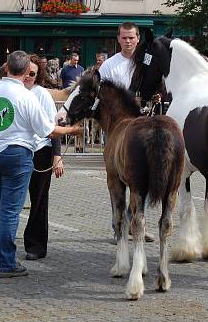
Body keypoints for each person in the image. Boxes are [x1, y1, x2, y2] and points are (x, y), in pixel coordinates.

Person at [0, 50, 81, 277]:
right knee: (11, 212)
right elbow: (48, 130)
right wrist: (73, 129)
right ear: (24, 72)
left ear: (6, 68)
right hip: (16, 154)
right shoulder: (26, 96)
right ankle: (6, 263)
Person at [65, 22, 157, 242]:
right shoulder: (109, 65)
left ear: (137, 39)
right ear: (118, 39)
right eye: (124, 38)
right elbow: (100, 93)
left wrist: (155, 95)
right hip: (118, 124)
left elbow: (157, 83)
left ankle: (136, 222)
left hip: (143, 120)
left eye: (132, 37)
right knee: (118, 174)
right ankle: (119, 223)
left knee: (143, 175)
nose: (128, 41)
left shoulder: (146, 61)